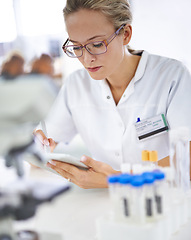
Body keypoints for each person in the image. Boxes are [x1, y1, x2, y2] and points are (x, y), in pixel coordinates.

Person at [34, 0, 191, 189]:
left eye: (97, 44)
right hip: (106, 204)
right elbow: (42, 145)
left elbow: (187, 159)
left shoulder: (172, 76)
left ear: (125, 34)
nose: (87, 58)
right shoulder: (76, 85)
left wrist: (117, 178)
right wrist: (37, 144)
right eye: (76, 47)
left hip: (164, 200)